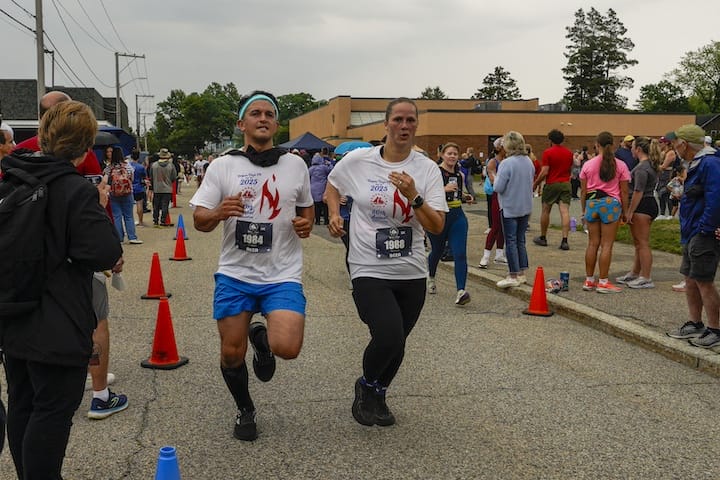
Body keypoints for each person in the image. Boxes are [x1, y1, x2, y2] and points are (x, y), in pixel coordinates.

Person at [0, 100, 122, 479]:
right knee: (52, 410)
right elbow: (103, 253)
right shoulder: (75, 190)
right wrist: (100, 203)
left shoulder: (14, 177)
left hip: (14, 309)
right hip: (57, 317)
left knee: (22, 402)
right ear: (86, 146)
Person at [190, 90, 314, 441]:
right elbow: (200, 219)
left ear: (276, 123)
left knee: (287, 348)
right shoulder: (223, 165)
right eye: (255, 113)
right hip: (236, 273)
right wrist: (218, 212)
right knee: (231, 354)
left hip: (282, 273)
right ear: (241, 124)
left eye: (269, 114)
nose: (263, 118)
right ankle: (245, 408)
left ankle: (261, 338)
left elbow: (305, 208)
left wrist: (306, 223)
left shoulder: (296, 164)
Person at [325, 97, 446, 427]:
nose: (404, 126)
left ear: (416, 126)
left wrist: (414, 196)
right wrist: (335, 214)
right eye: (398, 120)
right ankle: (364, 387)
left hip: (411, 269)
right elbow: (332, 187)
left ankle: (378, 393)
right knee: (389, 335)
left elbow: (436, 226)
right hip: (368, 265)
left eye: (410, 121)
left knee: (398, 342)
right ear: (386, 124)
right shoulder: (358, 161)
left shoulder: (427, 169)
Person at [664, 124, 720, 347]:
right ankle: (695, 323)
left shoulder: (710, 163)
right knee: (690, 278)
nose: (674, 148)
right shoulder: (697, 164)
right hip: (692, 230)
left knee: (704, 280)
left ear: (684, 144)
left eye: (676, 143)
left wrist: (706, 227)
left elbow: (716, 198)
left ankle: (716, 328)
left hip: (702, 231)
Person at [579, 131, 630, 293]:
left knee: (592, 243)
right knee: (607, 244)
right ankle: (603, 281)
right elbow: (624, 192)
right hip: (611, 204)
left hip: (592, 204)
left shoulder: (588, 165)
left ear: (597, 144)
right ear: (612, 145)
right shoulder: (620, 165)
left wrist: (583, 210)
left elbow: (583, 191)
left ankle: (588, 280)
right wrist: (625, 211)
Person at [426, 142, 472, 305]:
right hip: (438, 215)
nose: (452, 156)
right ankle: (430, 277)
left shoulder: (460, 175)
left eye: (455, 154)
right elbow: (425, 194)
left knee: (459, 253)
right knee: (437, 251)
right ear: (442, 155)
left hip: (457, 215)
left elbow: (460, 192)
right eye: (449, 153)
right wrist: (443, 190)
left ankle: (461, 290)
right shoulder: (434, 172)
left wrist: (466, 197)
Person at [615, 137, 661, 289]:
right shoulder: (648, 165)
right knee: (638, 243)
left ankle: (646, 277)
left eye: (633, 147)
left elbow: (638, 191)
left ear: (639, 150)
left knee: (642, 243)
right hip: (647, 204)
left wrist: (629, 211)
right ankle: (635, 272)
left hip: (642, 206)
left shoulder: (642, 168)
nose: (631, 150)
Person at [493, 131, 536, 288]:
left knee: (510, 240)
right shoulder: (528, 161)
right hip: (525, 206)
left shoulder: (506, 163)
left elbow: (498, 187)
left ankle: (512, 274)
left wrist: (494, 176)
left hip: (510, 206)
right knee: (520, 240)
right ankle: (522, 273)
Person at [533, 129, 573, 250]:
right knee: (564, 211)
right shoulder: (569, 153)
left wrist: (535, 184)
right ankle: (565, 240)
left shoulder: (548, 152)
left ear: (550, 140)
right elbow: (569, 170)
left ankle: (543, 237)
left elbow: (545, 171)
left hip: (552, 183)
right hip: (565, 183)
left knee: (546, 210)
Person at [104, 147, 142, 244]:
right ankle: (132, 237)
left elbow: (106, 179)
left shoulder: (109, 167)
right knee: (129, 216)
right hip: (127, 193)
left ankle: (119, 238)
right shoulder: (127, 165)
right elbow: (132, 178)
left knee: (117, 216)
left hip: (114, 194)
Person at [479, 138, 507, 268]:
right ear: (500, 148)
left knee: (503, 226)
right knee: (495, 226)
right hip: (497, 195)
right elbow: (493, 181)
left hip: (507, 196)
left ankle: (500, 254)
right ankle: (485, 255)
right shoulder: (493, 162)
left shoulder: (507, 162)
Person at [149, 148, 177, 227]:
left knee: (156, 205)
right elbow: (174, 177)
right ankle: (163, 220)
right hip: (167, 189)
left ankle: (155, 220)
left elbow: (151, 177)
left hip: (157, 188)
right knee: (165, 205)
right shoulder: (171, 165)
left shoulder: (154, 165)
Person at [655, 136, 677, 220]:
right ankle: (662, 213)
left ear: (666, 143)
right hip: (662, 175)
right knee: (660, 194)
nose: (659, 144)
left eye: (661, 142)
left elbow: (664, 166)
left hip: (668, 175)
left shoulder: (670, 152)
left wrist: (655, 166)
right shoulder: (663, 152)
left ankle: (670, 214)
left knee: (666, 194)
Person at [309, 153, 333, 225]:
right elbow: (331, 171)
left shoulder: (311, 168)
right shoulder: (323, 167)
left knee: (316, 206)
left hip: (313, 188)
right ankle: (326, 220)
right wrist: (329, 164)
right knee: (325, 206)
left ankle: (317, 220)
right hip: (323, 187)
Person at [130, 149, 149, 227]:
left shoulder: (128, 165)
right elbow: (144, 177)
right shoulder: (141, 167)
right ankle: (140, 221)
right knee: (139, 204)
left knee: (130, 206)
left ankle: (130, 221)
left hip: (130, 188)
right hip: (139, 187)